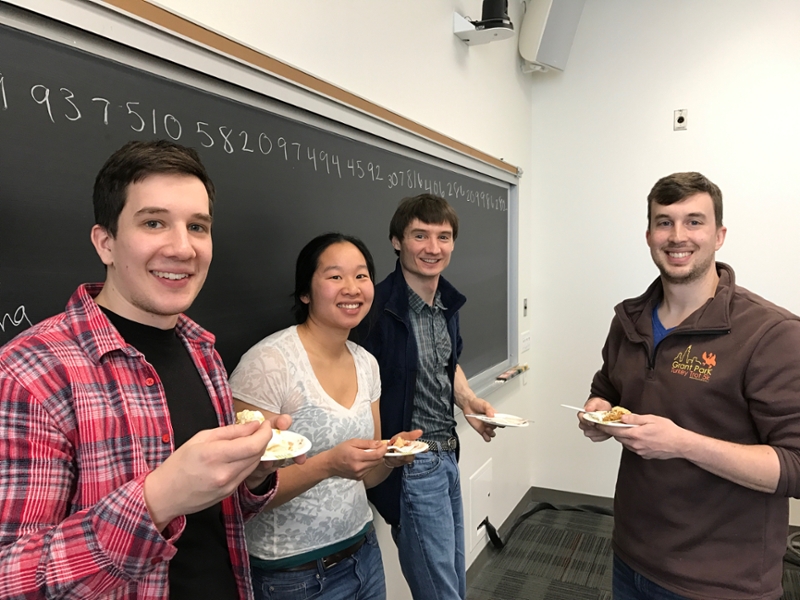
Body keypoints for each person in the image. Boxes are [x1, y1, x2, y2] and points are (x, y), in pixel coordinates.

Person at [0, 140, 294, 600]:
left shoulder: (204, 352)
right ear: (106, 242)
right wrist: (157, 499)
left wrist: (252, 476)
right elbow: (12, 579)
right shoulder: (32, 373)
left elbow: (217, 521)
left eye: (197, 226)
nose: (183, 248)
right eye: (154, 222)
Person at [578, 172, 800, 600]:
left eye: (694, 221)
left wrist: (682, 443)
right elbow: (607, 384)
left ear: (719, 235)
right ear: (648, 235)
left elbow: (796, 465)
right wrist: (598, 410)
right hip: (630, 554)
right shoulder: (629, 320)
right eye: (664, 222)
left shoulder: (772, 334)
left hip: (720, 580)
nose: (678, 236)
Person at [229, 232, 420, 600]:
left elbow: (367, 478)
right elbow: (243, 489)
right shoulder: (269, 363)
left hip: (363, 553)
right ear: (305, 292)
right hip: (293, 575)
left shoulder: (367, 364)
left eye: (361, 276)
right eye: (335, 277)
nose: (352, 288)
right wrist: (328, 464)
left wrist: (391, 457)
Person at [353, 194, 498, 600]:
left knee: (455, 578)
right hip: (412, 466)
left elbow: (446, 364)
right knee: (440, 593)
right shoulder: (374, 309)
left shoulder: (447, 303)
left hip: (449, 454)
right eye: (420, 235)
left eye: (443, 237)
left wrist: (469, 402)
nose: (433, 248)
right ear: (397, 241)